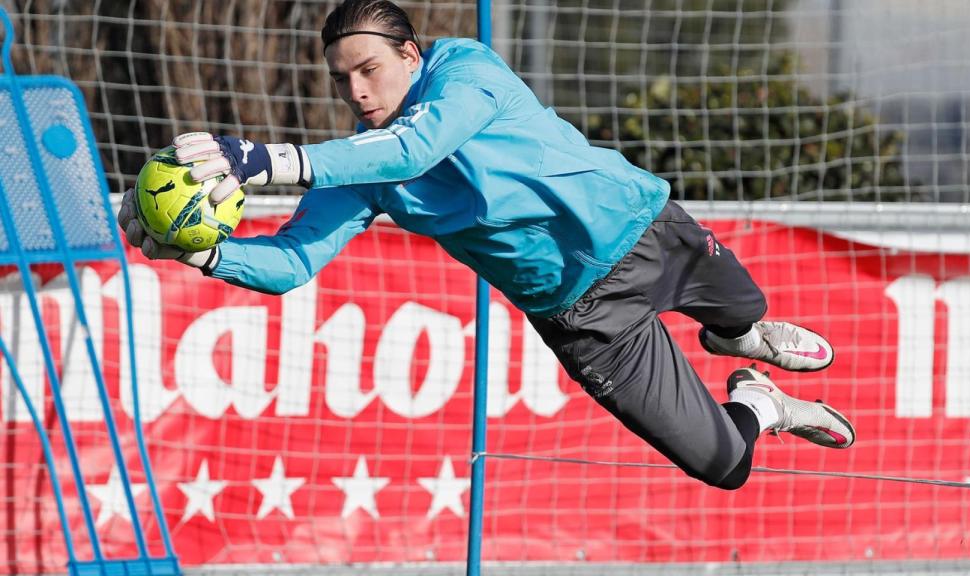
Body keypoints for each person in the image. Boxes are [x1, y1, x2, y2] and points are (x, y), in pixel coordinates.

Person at [118, 0, 854, 490]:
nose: (357, 90)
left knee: (744, 309)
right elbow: (292, 263)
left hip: (647, 230)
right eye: (343, 79)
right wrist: (202, 254)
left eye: (369, 68)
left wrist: (272, 158)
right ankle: (763, 403)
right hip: (584, 319)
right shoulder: (361, 166)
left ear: (411, 53)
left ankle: (741, 339)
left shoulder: (466, 69)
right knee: (724, 466)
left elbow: (417, 147)